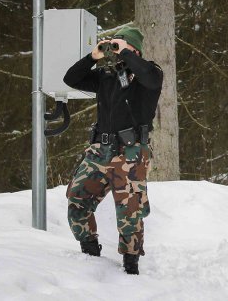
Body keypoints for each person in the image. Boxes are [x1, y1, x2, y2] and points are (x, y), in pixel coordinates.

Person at [63, 26, 163, 275]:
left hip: (130, 153)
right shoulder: (106, 76)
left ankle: (130, 265)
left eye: (119, 46)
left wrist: (127, 53)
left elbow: (148, 76)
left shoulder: (149, 73)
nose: (114, 52)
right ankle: (90, 255)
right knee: (77, 198)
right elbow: (71, 79)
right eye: (113, 47)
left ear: (134, 49)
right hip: (100, 150)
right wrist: (92, 57)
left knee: (129, 214)